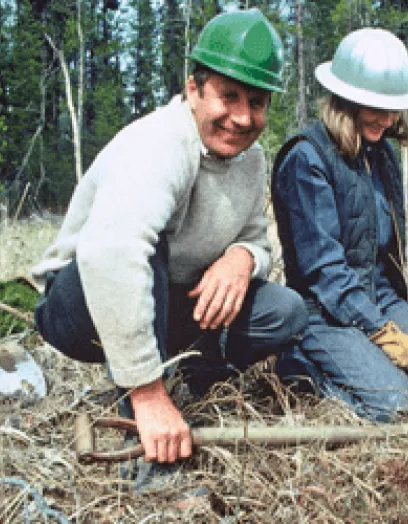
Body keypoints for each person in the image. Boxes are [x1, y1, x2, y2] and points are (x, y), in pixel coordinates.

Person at [31, 9, 308, 464]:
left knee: (286, 312)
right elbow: (113, 254)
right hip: (79, 303)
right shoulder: (159, 142)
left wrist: (242, 257)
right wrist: (147, 393)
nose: (241, 117)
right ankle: (143, 418)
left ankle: (190, 376)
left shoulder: (252, 158)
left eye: (256, 102)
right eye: (229, 96)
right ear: (193, 88)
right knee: (149, 245)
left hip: (170, 297)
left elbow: (259, 241)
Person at [271, 28, 408, 422]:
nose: (388, 119)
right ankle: (300, 365)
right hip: (323, 310)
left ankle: (364, 363)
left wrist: (390, 317)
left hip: (379, 297)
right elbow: (323, 272)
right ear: (346, 100)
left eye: (394, 108)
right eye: (376, 107)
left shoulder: (381, 155)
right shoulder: (307, 159)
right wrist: (380, 332)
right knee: (394, 406)